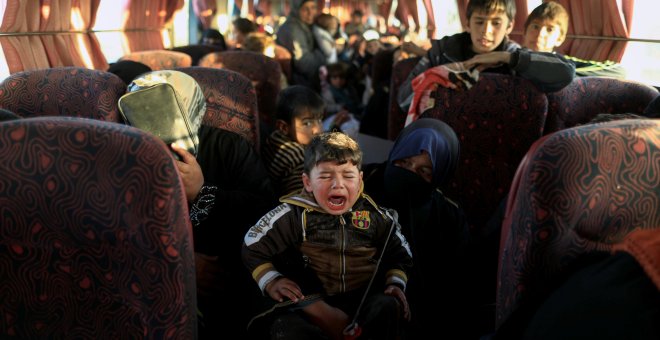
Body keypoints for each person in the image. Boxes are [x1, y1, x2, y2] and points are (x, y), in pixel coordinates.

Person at [122, 70, 277, 339]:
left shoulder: (229, 148)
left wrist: (202, 192)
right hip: (158, 275)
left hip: (233, 270)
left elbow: (266, 213)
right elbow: (118, 227)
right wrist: (180, 261)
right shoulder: (126, 157)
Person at [243, 132, 413, 340]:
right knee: (287, 330)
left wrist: (395, 284)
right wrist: (271, 280)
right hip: (310, 302)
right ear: (307, 182)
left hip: (363, 298)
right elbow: (252, 244)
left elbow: (400, 255)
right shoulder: (294, 214)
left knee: (387, 306)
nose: (337, 184)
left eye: (348, 176)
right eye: (325, 176)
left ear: (360, 181)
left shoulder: (376, 216)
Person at [362, 118, 470, 338]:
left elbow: (456, 291)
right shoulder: (360, 184)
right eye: (404, 162)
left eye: (424, 171)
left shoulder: (448, 216)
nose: (409, 174)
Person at [397, 0, 575, 114]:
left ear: (509, 26)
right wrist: (438, 78)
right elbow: (403, 100)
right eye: (479, 22)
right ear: (468, 23)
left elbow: (566, 73)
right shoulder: (443, 51)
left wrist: (507, 58)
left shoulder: (515, 55)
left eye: (496, 23)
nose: (486, 30)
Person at [522, 1, 626, 79]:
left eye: (550, 29)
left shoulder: (564, 63)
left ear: (559, 39)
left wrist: (563, 71)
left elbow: (618, 71)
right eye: (535, 27)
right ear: (525, 31)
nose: (540, 34)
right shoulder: (509, 57)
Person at [262, 85, 324, 197]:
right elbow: (302, 197)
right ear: (284, 127)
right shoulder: (299, 158)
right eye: (307, 123)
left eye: (319, 120)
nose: (317, 130)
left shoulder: (274, 137)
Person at [276, 0, 326, 88]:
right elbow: (304, 64)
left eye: (313, 7)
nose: (310, 13)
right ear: (296, 10)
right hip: (300, 86)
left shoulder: (305, 25)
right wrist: (324, 54)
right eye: (304, 9)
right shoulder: (293, 29)